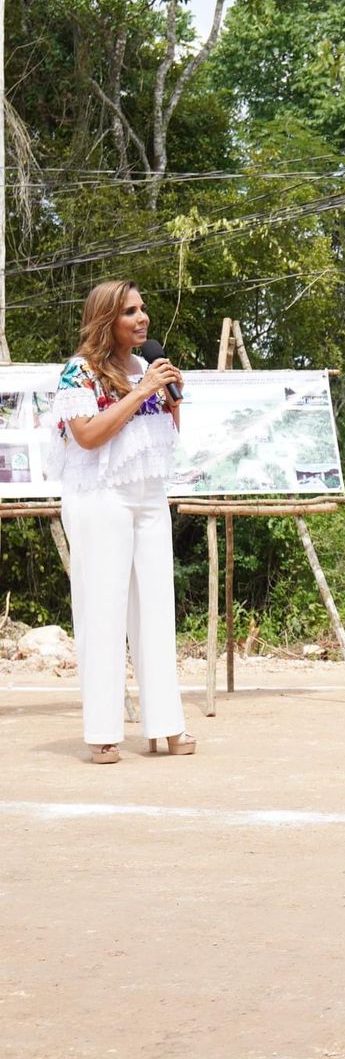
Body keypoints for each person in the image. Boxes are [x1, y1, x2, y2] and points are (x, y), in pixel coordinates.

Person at [46, 280, 195, 763]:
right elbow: (88, 436)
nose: (142, 318)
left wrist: (169, 398)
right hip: (100, 498)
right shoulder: (80, 372)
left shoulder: (145, 366)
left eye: (143, 309)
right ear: (106, 319)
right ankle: (103, 732)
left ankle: (166, 725)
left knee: (156, 611)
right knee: (104, 611)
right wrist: (142, 391)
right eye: (130, 311)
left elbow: (162, 437)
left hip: (149, 497)